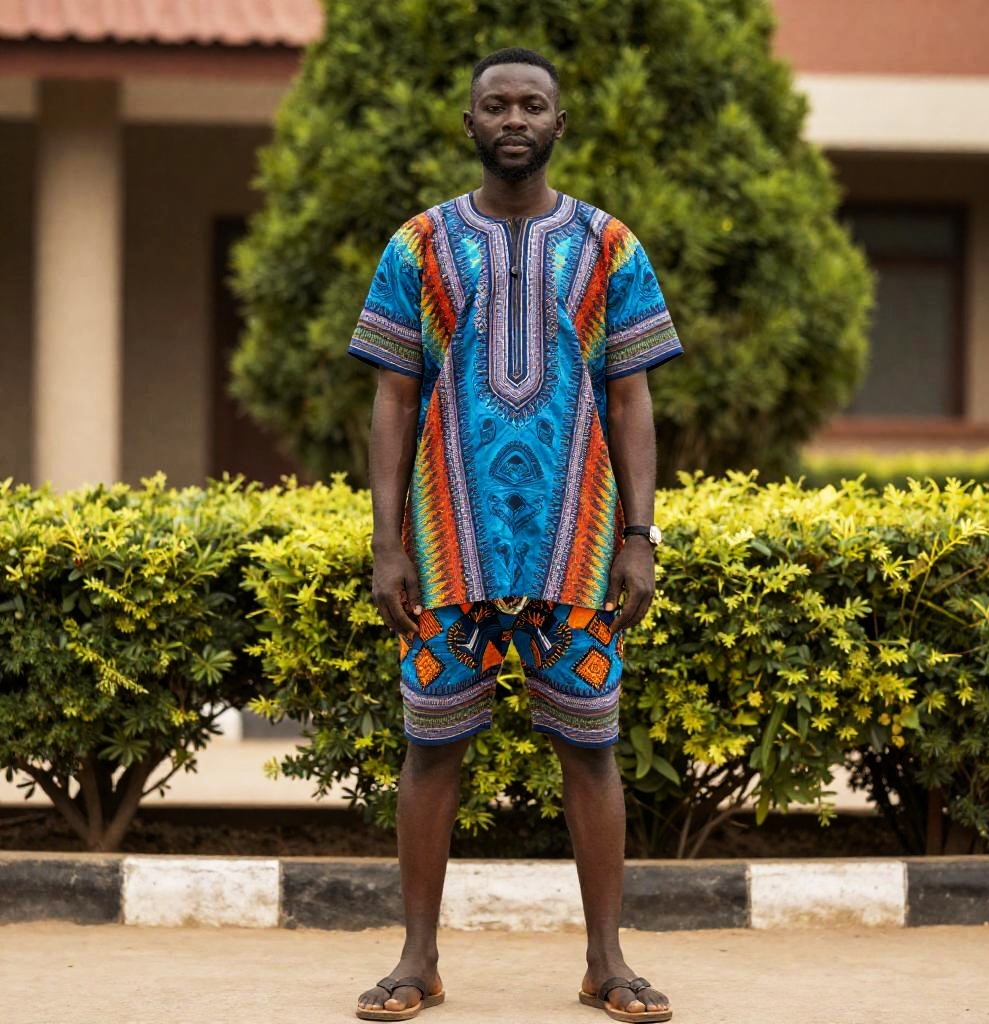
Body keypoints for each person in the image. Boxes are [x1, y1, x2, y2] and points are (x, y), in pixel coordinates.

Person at [347, 46, 682, 1023]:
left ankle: (606, 963)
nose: (513, 120)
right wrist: (387, 541)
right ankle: (416, 962)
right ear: (470, 123)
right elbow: (392, 394)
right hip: (447, 541)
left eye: (532, 104)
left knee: (591, 749)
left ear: (558, 123)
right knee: (431, 749)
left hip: (577, 543)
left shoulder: (610, 245)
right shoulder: (418, 244)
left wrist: (638, 533)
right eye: (495, 105)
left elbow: (631, 394)